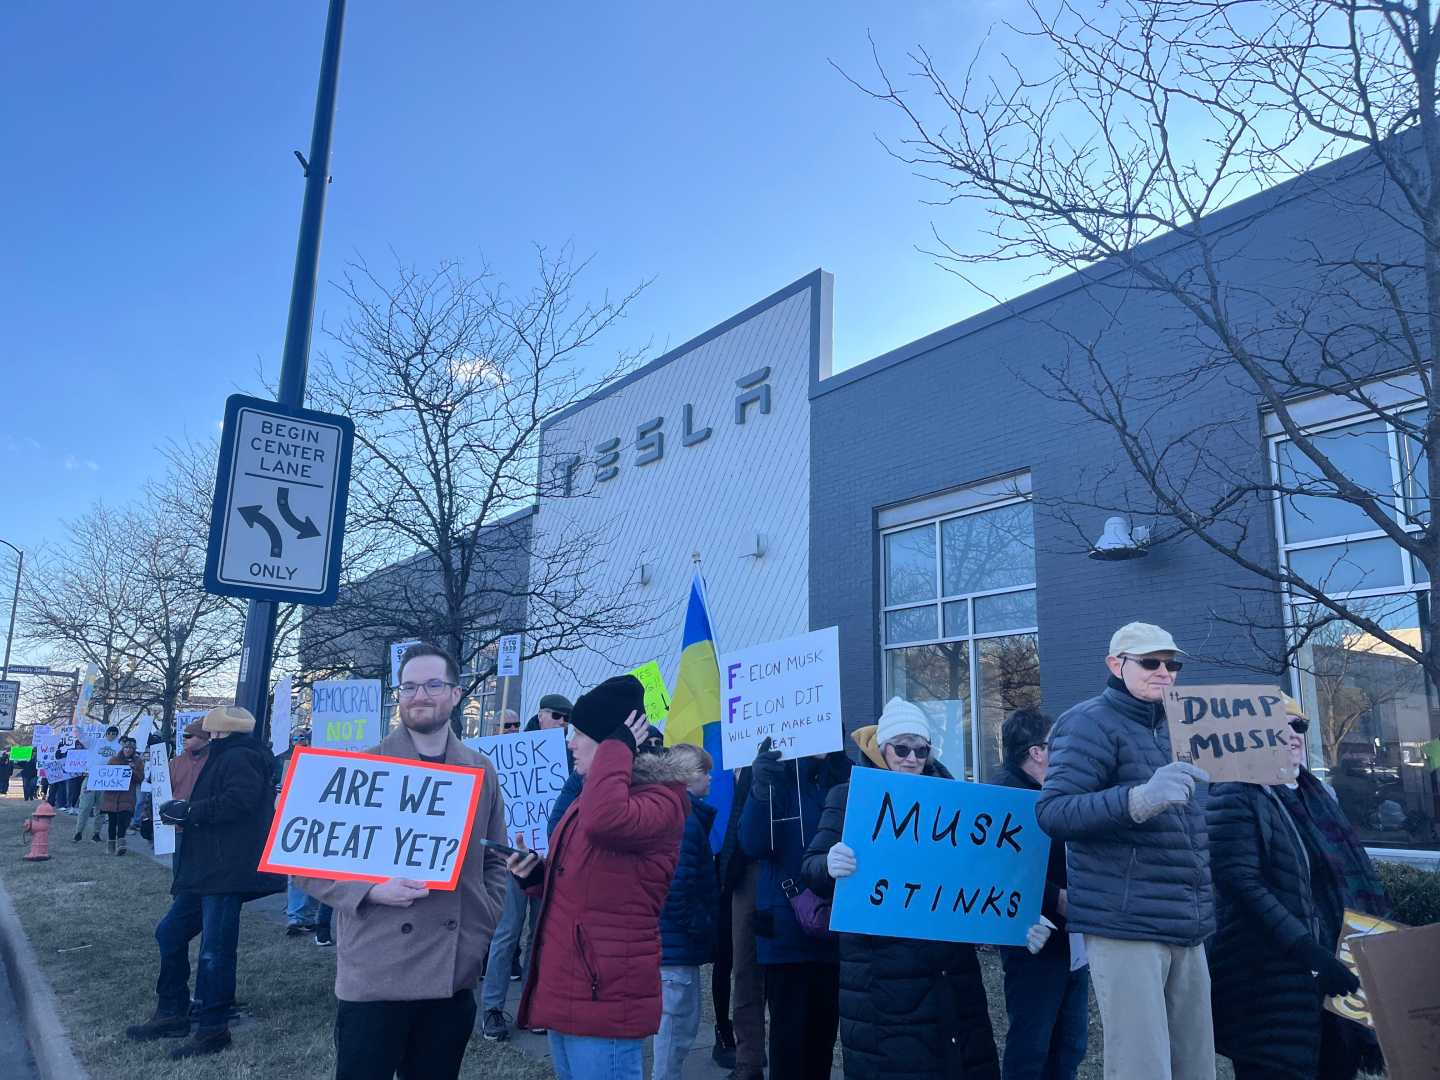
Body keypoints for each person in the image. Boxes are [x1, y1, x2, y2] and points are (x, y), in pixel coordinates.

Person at [297, 643, 511, 1080]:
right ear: (399, 695)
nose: (420, 695)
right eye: (409, 686)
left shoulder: (481, 769)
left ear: (455, 694)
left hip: (451, 970)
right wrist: (371, 889)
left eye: (433, 684)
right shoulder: (363, 766)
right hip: (376, 970)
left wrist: (484, 919)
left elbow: (495, 858)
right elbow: (306, 863)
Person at [1036, 622, 1214, 1080]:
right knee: (1142, 1064)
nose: (1164, 672)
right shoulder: (1086, 722)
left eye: (1172, 664)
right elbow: (1053, 812)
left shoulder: (1185, 728)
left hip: (1185, 922)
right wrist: (1137, 800)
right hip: (1126, 921)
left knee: (1195, 1063)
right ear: (1115, 665)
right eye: (1150, 662)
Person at [507, 674, 694, 1080]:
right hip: (571, 988)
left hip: (605, 993)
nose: (571, 743)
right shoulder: (591, 794)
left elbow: (606, 823)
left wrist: (614, 746)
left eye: (581, 734)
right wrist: (535, 873)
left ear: (615, 744)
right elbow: (583, 877)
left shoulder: (662, 798)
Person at [803, 698, 1000, 1079]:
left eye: (921, 750)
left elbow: (981, 873)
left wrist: (1017, 917)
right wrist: (828, 865)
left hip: (948, 965)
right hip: (881, 971)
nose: (911, 758)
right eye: (902, 748)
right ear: (882, 748)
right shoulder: (849, 796)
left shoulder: (953, 799)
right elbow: (811, 866)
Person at [1208, 694, 1391, 1080]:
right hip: (1270, 984)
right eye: (1280, 726)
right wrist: (1309, 953)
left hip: (1332, 978)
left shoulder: (1315, 795)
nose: (1293, 734)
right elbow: (1241, 883)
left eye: (1299, 726)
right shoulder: (1236, 791)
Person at [126, 705, 283, 1058]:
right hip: (209, 869)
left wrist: (189, 811)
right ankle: (172, 1011)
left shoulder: (240, 757)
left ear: (218, 731)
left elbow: (238, 802)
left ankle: (213, 1027)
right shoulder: (233, 754)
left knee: (215, 950)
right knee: (171, 932)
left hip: (224, 869)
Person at [740, 736, 851, 1080]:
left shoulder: (849, 777)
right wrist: (760, 789)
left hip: (835, 930)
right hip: (786, 933)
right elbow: (751, 843)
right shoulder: (776, 776)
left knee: (821, 1043)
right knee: (789, 1046)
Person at [994, 709, 1089, 1080]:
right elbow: (998, 869)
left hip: (1072, 940)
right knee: (1032, 1047)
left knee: (1071, 1043)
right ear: (1038, 751)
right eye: (1060, 743)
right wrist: (1056, 899)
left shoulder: (1056, 790)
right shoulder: (1005, 796)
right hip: (1033, 940)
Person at [481, 692, 571, 1043]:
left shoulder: (565, 755)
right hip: (512, 858)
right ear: (543, 715)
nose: (564, 723)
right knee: (507, 933)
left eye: (567, 718)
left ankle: (535, 1006)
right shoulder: (506, 753)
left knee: (541, 935)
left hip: (548, 860)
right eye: (558, 716)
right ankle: (492, 1008)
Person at [653, 743, 720, 1080]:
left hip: (671, 944)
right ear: (687, 775)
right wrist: (702, 925)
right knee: (675, 1032)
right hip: (676, 948)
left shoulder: (674, 812)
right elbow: (676, 887)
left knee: (674, 1028)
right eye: (704, 771)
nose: (710, 777)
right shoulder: (686, 820)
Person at [716, 765, 763, 1078]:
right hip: (746, 872)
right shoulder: (751, 769)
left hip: (794, 869)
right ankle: (748, 1060)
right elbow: (739, 822)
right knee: (744, 971)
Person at [74, 725, 120, 843]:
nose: (112, 735)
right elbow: (83, 737)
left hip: (106, 780)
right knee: (85, 806)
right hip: (91, 777)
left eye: (114, 734)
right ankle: (78, 832)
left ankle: (96, 833)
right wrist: (79, 726)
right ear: (106, 733)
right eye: (110, 733)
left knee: (101, 809)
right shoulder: (95, 742)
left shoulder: (118, 747)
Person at [100, 737, 145, 855]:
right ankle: (110, 845)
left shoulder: (138, 762)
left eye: (130, 748)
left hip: (127, 796)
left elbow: (140, 778)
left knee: (122, 820)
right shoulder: (114, 760)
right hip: (112, 796)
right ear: (123, 748)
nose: (128, 750)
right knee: (112, 821)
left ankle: (121, 844)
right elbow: (105, 775)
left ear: (134, 750)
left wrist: (133, 770)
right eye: (126, 747)